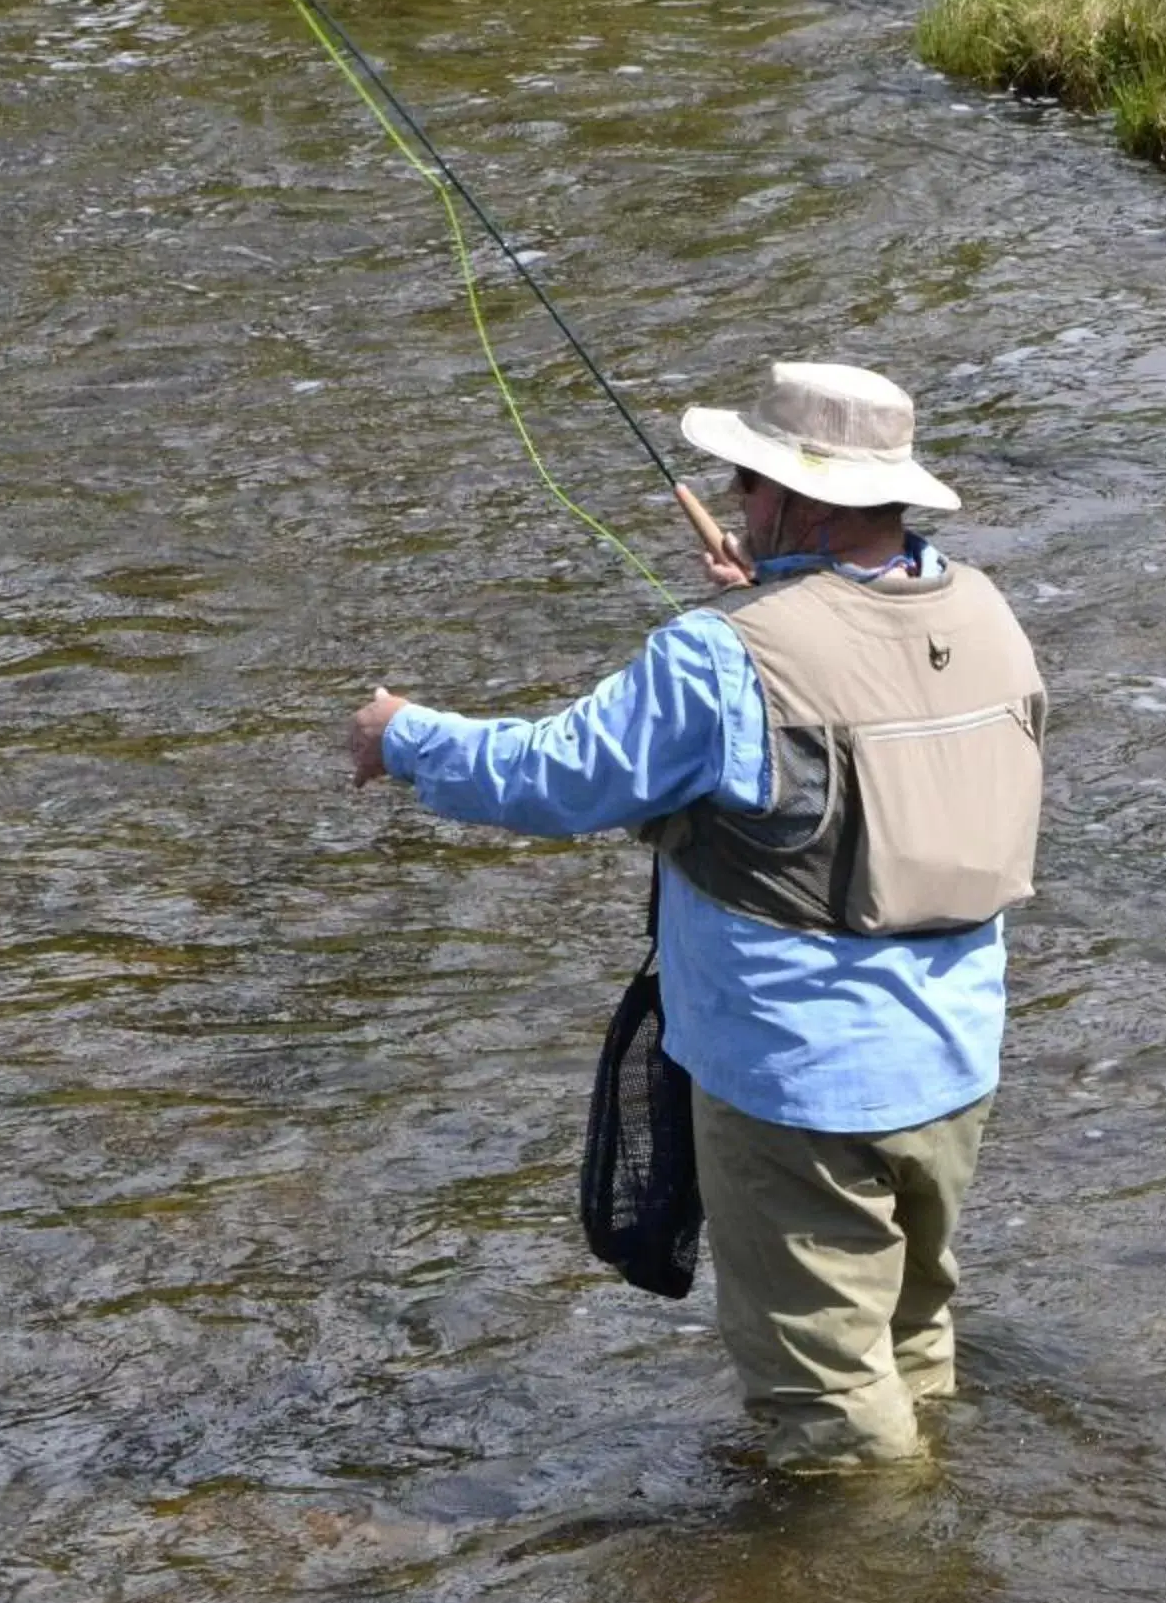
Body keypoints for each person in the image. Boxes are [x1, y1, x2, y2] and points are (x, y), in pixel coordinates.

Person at [347, 362, 1046, 1468]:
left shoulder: (720, 653)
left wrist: (404, 734)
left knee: (822, 1402)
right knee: (910, 1334)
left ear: (799, 500)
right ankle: (928, 1526)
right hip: (956, 1065)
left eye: (747, 479)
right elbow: (863, 688)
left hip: (801, 1089)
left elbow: (557, 778)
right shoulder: (988, 614)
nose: (733, 497)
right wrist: (769, 594)